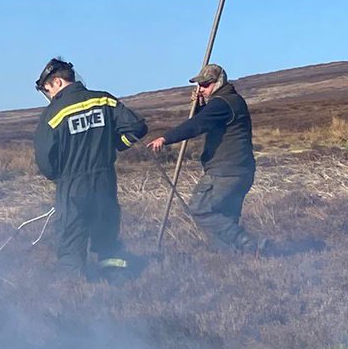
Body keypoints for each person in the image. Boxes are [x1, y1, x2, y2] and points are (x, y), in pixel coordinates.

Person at [33, 58, 148, 277]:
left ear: (57, 82)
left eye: (47, 90)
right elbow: (137, 127)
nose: (49, 95)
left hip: (72, 185)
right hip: (105, 181)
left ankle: (74, 287)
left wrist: (59, 177)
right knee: (106, 236)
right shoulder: (104, 100)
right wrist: (117, 145)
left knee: (71, 237)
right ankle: (116, 284)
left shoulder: (52, 114)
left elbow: (45, 160)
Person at [147, 64, 262, 254]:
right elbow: (209, 121)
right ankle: (235, 259)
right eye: (199, 85)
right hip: (240, 170)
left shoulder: (222, 103)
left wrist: (165, 138)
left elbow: (198, 124)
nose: (201, 89)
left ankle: (248, 243)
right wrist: (201, 105)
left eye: (206, 85)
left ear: (219, 83)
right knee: (225, 216)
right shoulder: (231, 101)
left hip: (225, 172)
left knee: (200, 209)